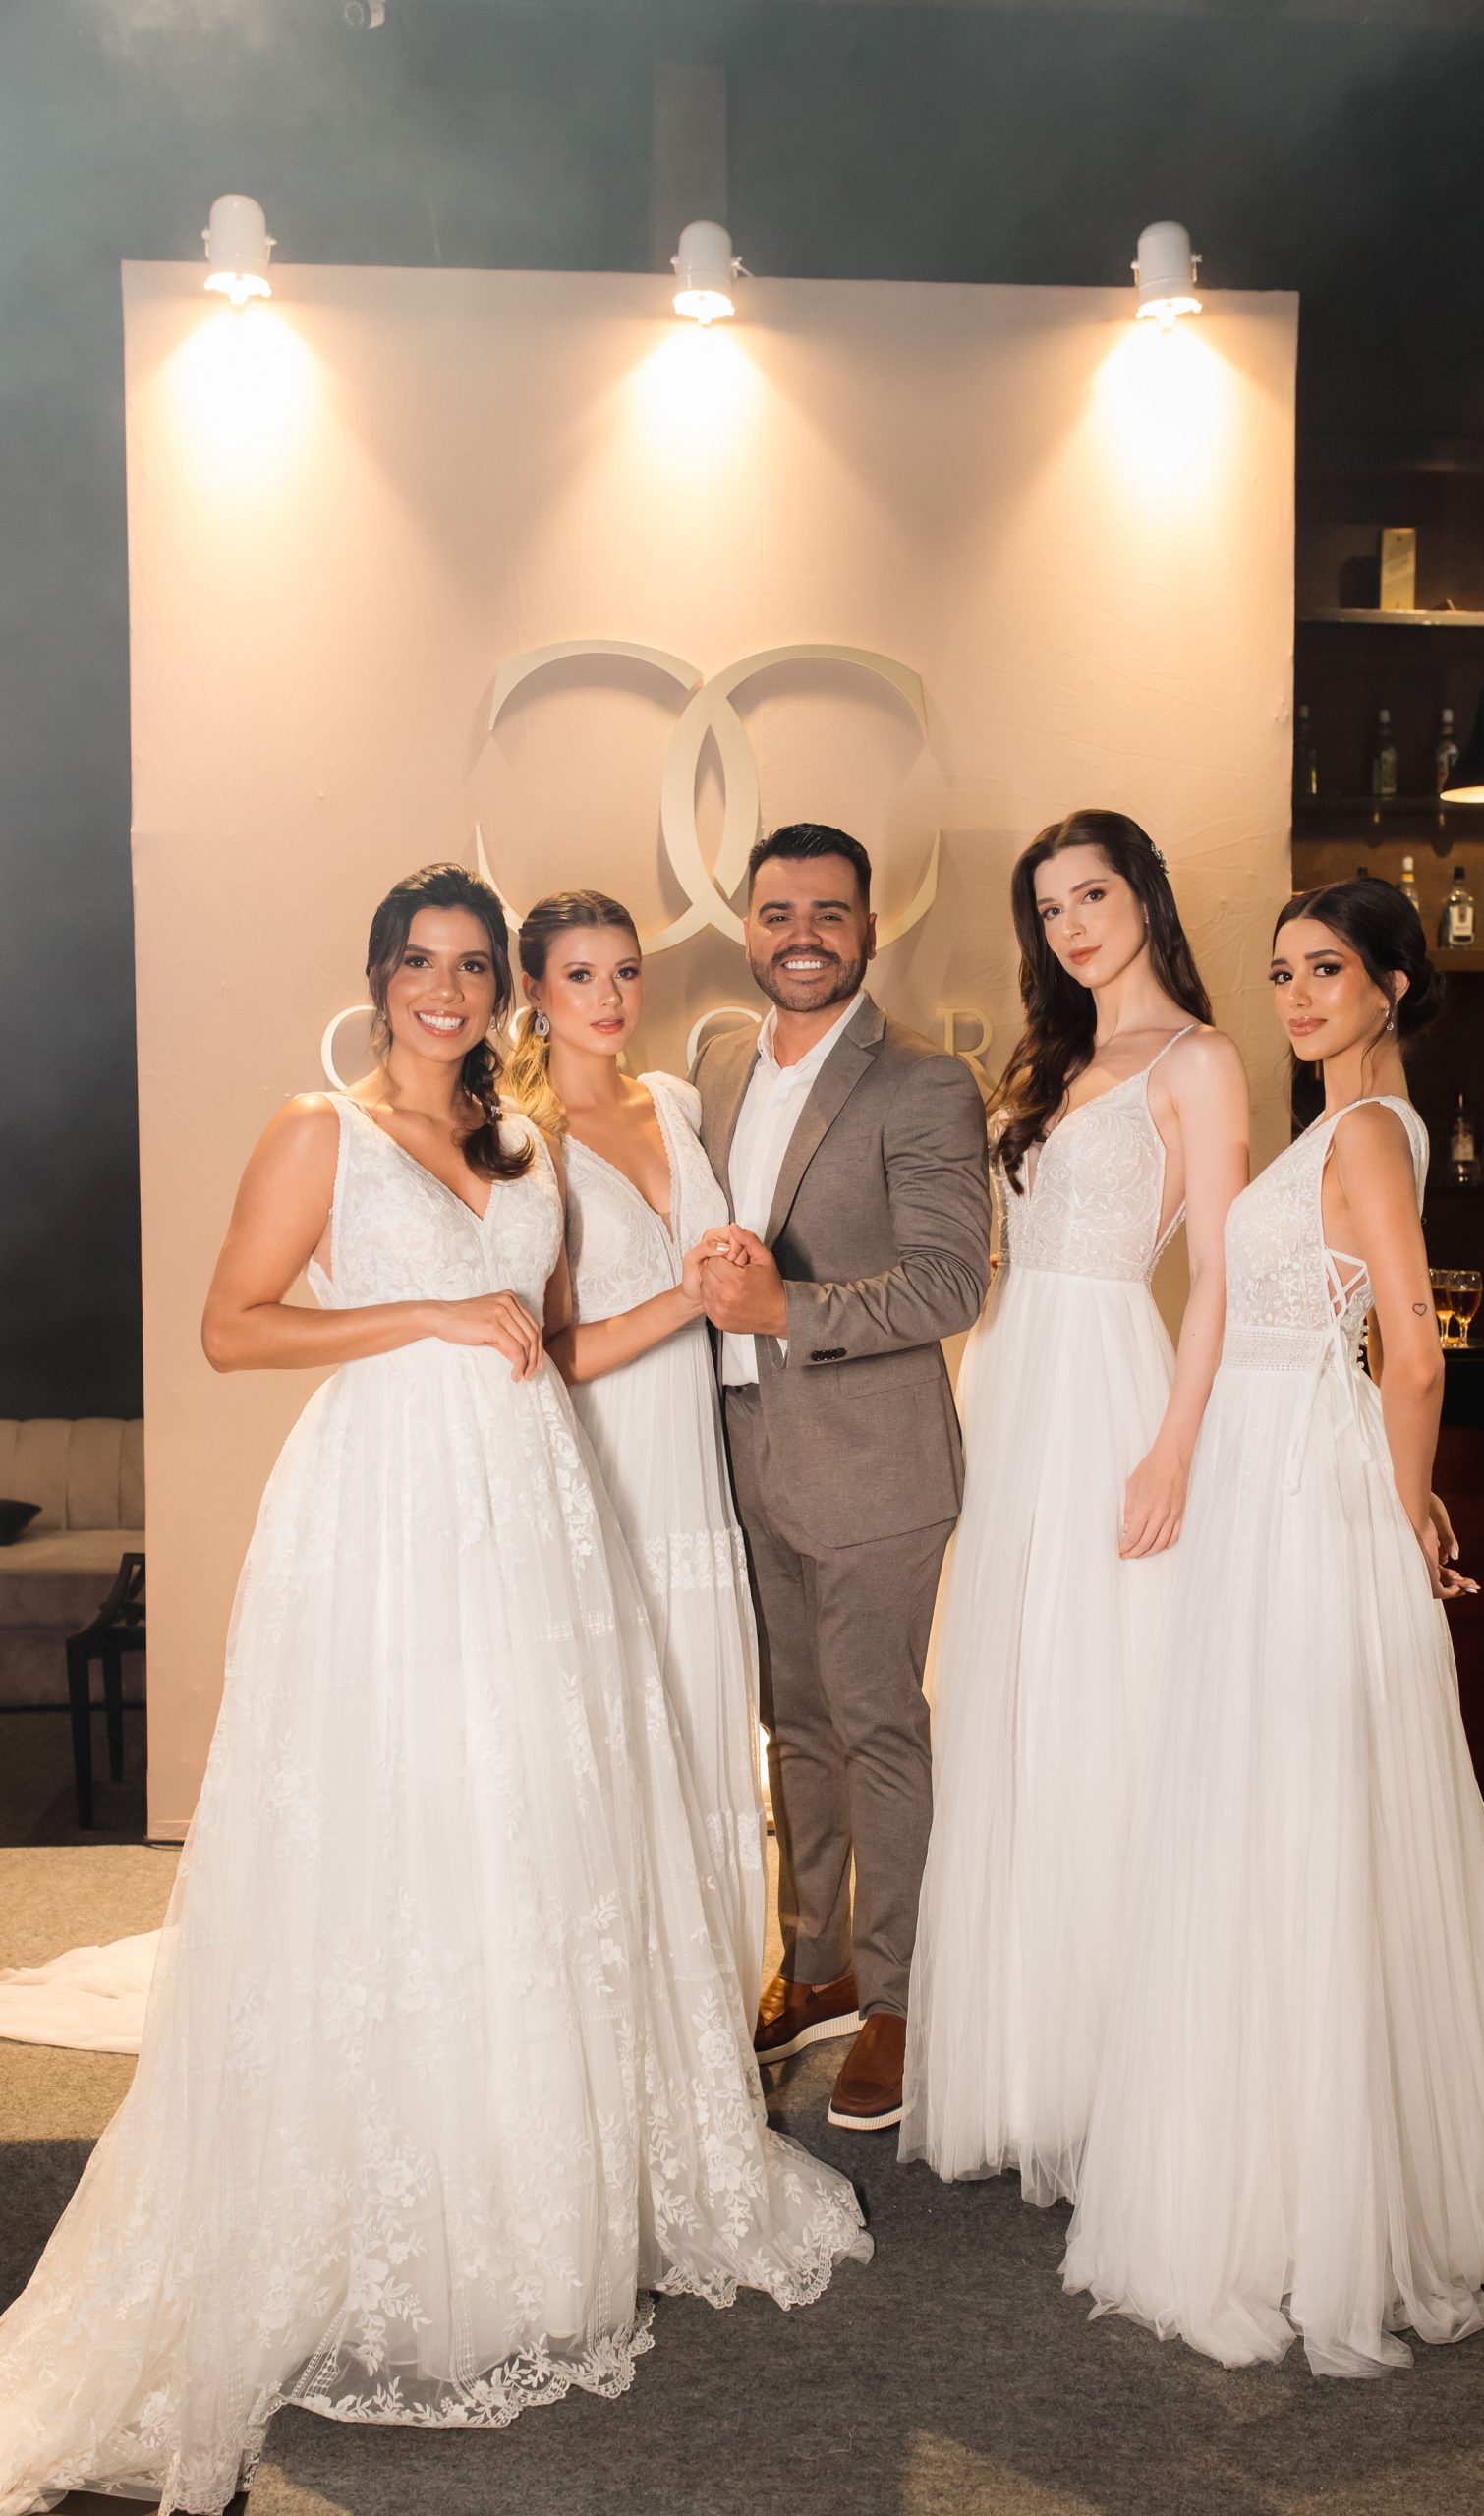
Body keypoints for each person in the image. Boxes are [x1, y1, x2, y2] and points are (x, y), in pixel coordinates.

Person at [0, 865, 867, 2516]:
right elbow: (231, 1329)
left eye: (472, 965)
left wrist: (680, 1298)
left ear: (496, 990)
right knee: (390, 1831)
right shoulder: (315, 1129)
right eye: (421, 962)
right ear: (381, 976)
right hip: (382, 1520)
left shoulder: (524, 1143)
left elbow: (548, 1345)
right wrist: (422, 1312)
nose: (447, 989)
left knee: (521, 1837)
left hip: (532, 1516)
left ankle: (522, 2199)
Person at [1061, 877, 1484, 2427]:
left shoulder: (1363, 1136)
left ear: (1391, 982)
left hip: (1309, 1507)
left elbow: (1409, 1350)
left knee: (1305, 1830)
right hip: (1277, 1484)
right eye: (1279, 971)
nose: (1293, 994)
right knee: (1282, 1829)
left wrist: (1401, 1516)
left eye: (1323, 969)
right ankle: (1297, 2170)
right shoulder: (1338, 1126)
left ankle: (1327, 2203)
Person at [900, 810, 1249, 2202]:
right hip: (1009, 1377)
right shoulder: (1045, 1060)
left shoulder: (1198, 1059)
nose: (1071, 927)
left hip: (1110, 1381)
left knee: (1112, 1702)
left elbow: (1218, 1273)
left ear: (1143, 893)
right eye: (1047, 910)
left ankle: (1127, 2072)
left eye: (1090, 895)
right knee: (1005, 1701)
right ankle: (1026, 2060)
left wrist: (1174, 1447)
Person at [692, 822, 991, 2134]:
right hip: (741, 1447)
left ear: (868, 927)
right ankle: (815, 1962)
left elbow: (948, 1281)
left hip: (875, 1461)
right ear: (745, 928)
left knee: (876, 1726)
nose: (801, 935)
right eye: (778, 913)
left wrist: (786, 1308)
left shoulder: (922, 1082)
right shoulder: (713, 1062)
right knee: (793, 1726)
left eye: (828, 913)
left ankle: (899, 1998)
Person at [502, 887, 765, 2021]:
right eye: (579, 975)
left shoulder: (673, 1100)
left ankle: (709, 2015)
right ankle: (619, 2020)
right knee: (613, 1734)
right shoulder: (525, 1142)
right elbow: (548, 1350)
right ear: (533, 991)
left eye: (624, 971)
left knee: (700, 1720)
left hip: (692, 1453)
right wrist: (686, 1298)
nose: (609, 997)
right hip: (603, 1458)